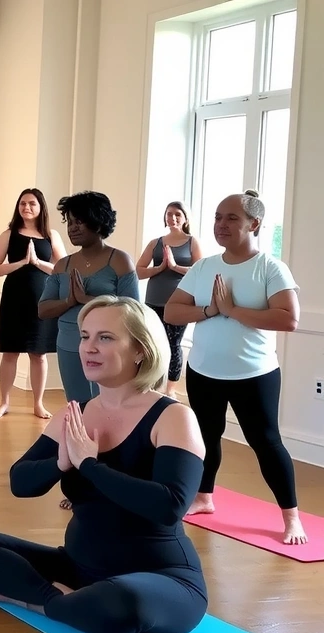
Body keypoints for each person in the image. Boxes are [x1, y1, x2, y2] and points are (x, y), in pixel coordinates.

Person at [0, 295, 209, 633]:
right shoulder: (75, 414)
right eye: (85, 336)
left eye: (106, 337)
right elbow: (20, 482)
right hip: (78, 568)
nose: (89, 347)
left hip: (161, 578)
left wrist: (89, 464)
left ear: (140, 350)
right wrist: (61, 462)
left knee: (122, 605)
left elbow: (169, 506)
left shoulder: (173, 417)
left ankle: (41, 603)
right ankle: (66, 602)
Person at [165, 189, 305, 545]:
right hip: (204, 370)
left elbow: (288, 318)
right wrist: (209, 310)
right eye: (217, 217)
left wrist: (232, 311)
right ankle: (203, 497)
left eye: (231, 218)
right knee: (206, 437)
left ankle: (291, 517)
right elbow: (173, 311)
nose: (221, 225)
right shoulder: (204, 267)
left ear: (254, 224)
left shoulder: (270, 267)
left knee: (266, 442)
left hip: (253, 374)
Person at [39, 191, 138, 405]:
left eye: (79, 222)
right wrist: (68, 302)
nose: (72, 228)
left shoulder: (120, 260)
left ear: (98, 222)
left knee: (105, 404)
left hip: (108, 346)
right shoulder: (62, 265)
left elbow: (132, 311)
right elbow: (43, 309)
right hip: (68, 344)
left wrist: (87, 299)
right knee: (76, 405)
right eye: (70, 222)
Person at [0, 188, 66, 419]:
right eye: (23, 203)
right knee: (9, 352)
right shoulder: (8, 234)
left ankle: (38, 403)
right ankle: (4, 402)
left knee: (38, 354)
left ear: (41, 207)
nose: (26, 207)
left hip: (42, 301)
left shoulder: (51, 235)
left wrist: (37, 262)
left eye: (32, 203)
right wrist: (22, 262)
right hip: (14, 299)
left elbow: (63, 269)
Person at [136, 201, 200, 398]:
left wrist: (174, 267)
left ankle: (170, 390)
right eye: (169, 214)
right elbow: (138, 271)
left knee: (173, 344)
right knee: (151, 343)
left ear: (185, 219)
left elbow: (200, 271)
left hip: (180, 303)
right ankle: (152, 384)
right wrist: (159, 268)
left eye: (177, 214)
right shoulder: (155, 243)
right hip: (153, 301)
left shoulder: (192, 242)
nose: (172, 218)